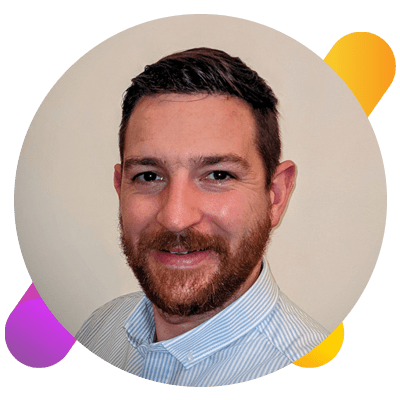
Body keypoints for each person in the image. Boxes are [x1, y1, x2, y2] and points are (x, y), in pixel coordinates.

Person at [76, 47, 329, 386]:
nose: (175, 218)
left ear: (276, 195)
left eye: (218, 175)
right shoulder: (98, 330)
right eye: (149, 176)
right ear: (120, 188)